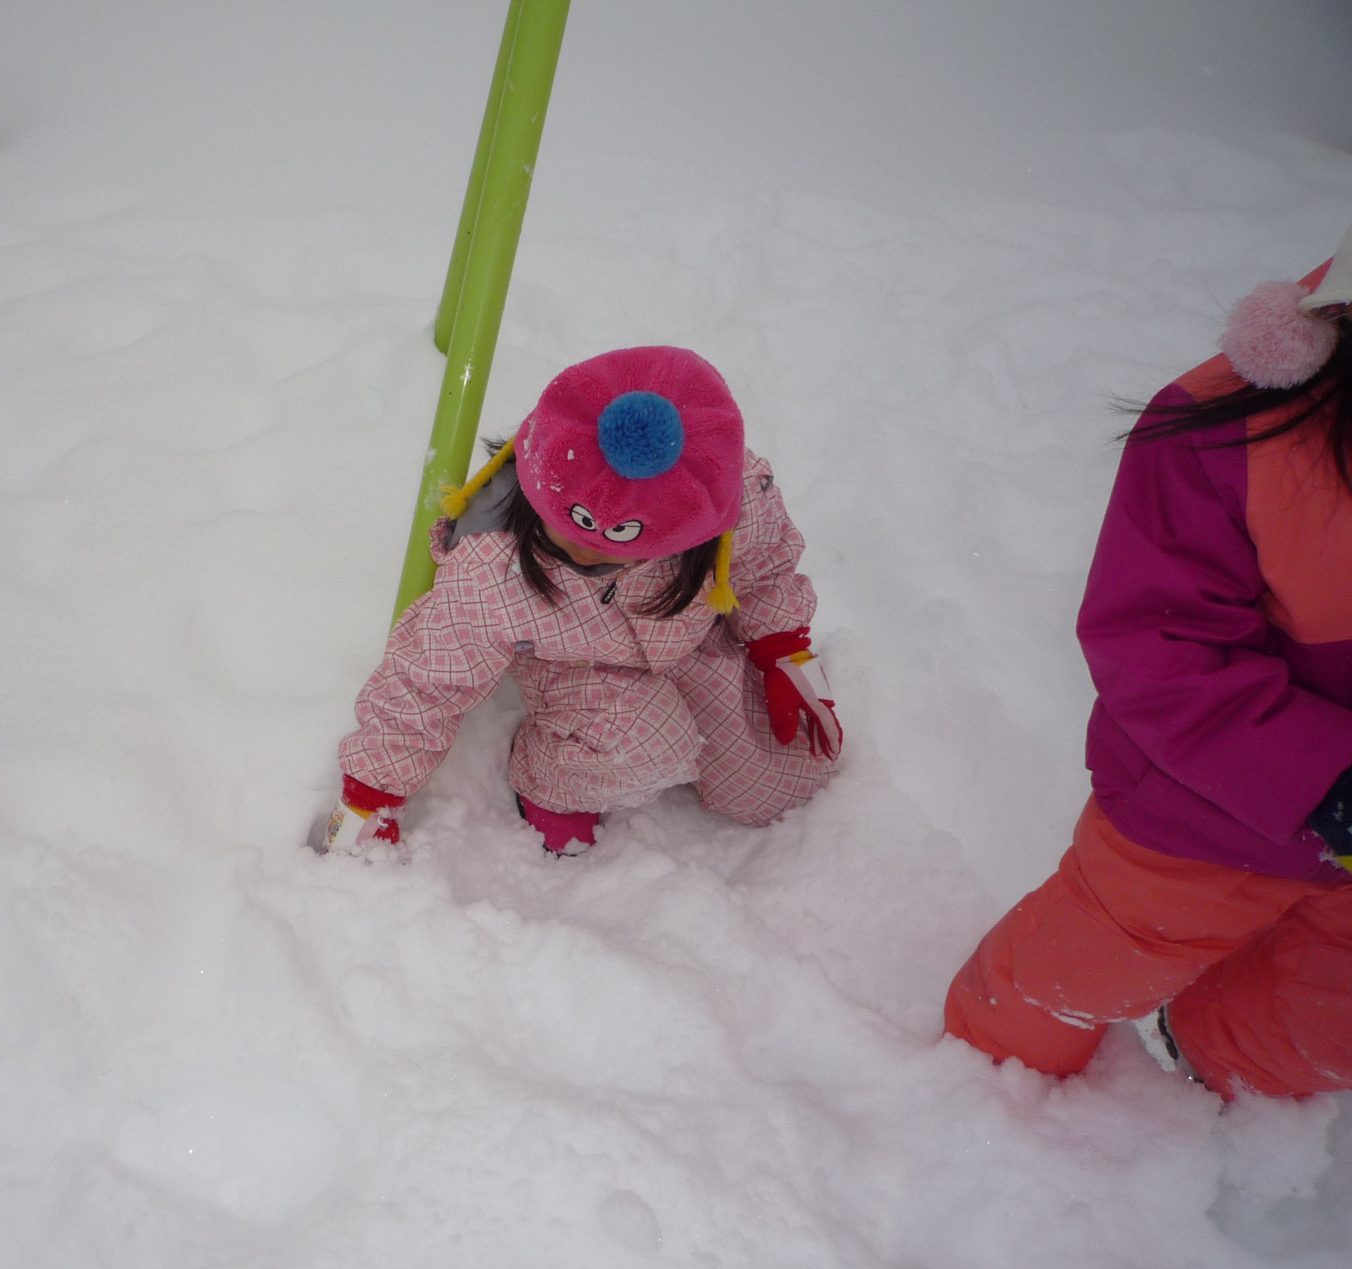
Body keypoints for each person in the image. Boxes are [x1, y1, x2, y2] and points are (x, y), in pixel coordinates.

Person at [944, 225, 1352, 1100]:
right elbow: (1158, 640)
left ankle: (1216, 1059)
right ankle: (974, 1091)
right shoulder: (1238, 426)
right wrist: (1325, 778)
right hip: (1204, 818)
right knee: (1074, 974)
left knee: (1319, 1025)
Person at [317, 345, 841, 859]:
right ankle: (552, 778)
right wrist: (370, 797)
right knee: (648, 746)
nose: (587, 549)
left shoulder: (715, 494)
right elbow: (429, 678)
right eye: (577, 525)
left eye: (621, 541)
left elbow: (761, 563)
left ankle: (697, 742)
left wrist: (782, 647)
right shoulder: (493, 566)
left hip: (687, 636)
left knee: (780, 783)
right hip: (576, 664)